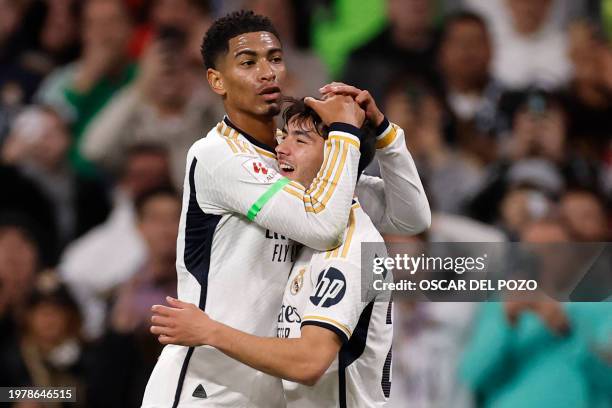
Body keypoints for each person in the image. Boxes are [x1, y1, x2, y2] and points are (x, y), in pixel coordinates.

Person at [149, 91, 428, 407]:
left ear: (340, 155)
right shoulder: (308, 228)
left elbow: (309, 362)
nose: (280, 149)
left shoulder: (349, 248)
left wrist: (209, 331)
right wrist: (380, 127)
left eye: (301, 140)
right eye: (284, 136)